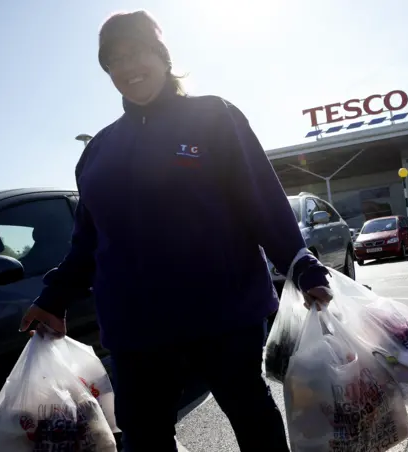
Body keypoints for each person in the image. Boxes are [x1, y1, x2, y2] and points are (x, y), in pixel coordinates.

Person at [18, 10, 332, 452]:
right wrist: (54, 297)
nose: (127, 68)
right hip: (135, 327)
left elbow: (261, 200)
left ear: (162, 55)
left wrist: (302, 265)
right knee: (144, 436)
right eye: (114, 61)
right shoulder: (98, 153)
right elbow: (87, 242)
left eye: (137, 52)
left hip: (223, 312)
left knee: (251, 413)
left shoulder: (214, 117)